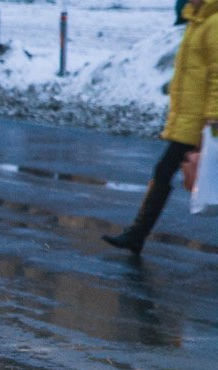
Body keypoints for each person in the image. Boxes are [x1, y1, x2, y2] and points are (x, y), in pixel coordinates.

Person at [103, 0, 217, 255]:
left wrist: (213, 120)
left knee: (165, 171)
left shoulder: (213, 23)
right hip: (190, 119)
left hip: (203, 122)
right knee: (165, 171)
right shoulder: (196, 23)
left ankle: (136, 234)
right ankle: (136, 235)